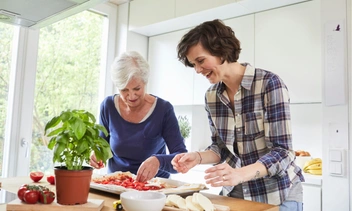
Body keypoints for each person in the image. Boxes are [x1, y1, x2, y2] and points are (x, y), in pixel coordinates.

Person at [171, 19, 304, 210]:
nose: (198, 70)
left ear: (220, 50)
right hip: (236, 192)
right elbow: (221, 147)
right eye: (194, 64)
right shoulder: (211, 96)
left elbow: (283, 152)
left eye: (200, 61)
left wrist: (240, 173)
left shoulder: (269, 84)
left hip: (278, 193)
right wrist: (197, 157)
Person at [90, 51, 187, 182]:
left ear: (145, 82)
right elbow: (101, 146)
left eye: (137, 89)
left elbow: (182, 158)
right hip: (116, 184)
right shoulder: (108, 106)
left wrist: (159, 161)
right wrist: (96, 156)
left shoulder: (163, 110)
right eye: (124, 90)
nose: (131, 96)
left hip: (154, 186)